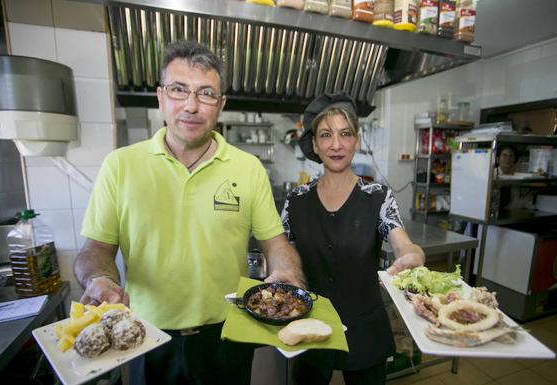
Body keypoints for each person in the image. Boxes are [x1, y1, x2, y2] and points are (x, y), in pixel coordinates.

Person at [73, 41, 304, 385]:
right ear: (161, 96)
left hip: (228, 334)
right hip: (147, 337)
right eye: (179, 89)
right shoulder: (120, 166)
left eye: (206, 93)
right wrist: (100, 279)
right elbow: (96, 250)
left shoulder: (249, 168)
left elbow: (274, 242)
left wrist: (286, 269)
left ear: (221, 105)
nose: (191, 106)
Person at [281, 92, 426, 385]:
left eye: (345, 134)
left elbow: (401, 241)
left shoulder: (377, 197)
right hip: (308, 322)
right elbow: (283, 250)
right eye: (326, 135)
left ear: (356, 141)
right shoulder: (296, 199)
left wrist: (413, 255)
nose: (336, 145)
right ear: (314, 144)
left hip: (365, 326)